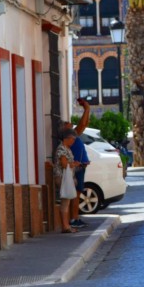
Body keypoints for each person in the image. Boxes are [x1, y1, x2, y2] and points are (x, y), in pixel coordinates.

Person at [60, 98, 91, 229]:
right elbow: (83, 125)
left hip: (80, 167)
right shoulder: (69, 135)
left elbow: (84, 124)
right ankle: (74, 218)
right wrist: (87, 109)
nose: (70, 123)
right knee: (75, 194)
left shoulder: (73, 135)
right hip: (76, 168)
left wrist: (87, 110)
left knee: (77, 193)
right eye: (67, 123)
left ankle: (75, 217)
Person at [54, 129, 82, 233]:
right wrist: (74, 164)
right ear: (68, 138)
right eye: (73, 139)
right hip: (63, 178)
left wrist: (73, 164)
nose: (73, 142)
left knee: (66, 202)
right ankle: (65, 226)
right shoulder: (62, 149)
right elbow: (64, 164)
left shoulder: (66, 148)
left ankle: (66, 226)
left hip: (67, 178)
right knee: (65, 202)